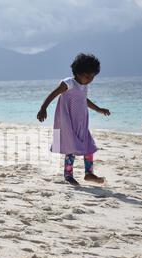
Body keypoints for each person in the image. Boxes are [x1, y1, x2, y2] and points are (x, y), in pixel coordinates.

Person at [37, 53, 111, 186]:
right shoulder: (68, 83)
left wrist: (98, 109)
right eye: (87, 76)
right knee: (71, 148)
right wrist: (43, 108)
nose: (89, 80)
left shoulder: (84, 86)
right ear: (78, 73)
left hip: (81, 123)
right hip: (68, 122)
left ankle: (89, 173)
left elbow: (84, 100)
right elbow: (53, 94)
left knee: (89, 147)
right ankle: (68, 175)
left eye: (92, 77)